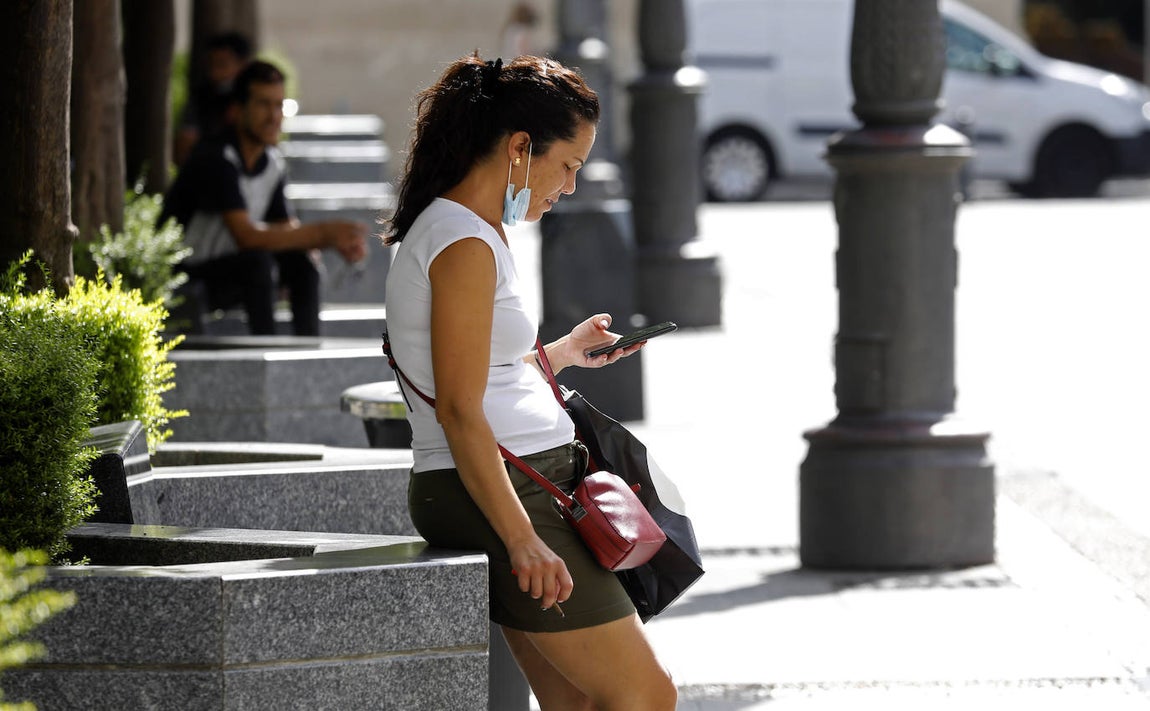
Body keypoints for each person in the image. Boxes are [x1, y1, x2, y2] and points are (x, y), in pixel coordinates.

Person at [383, 54, 677, 709]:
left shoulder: (470, 230)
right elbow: (460, 409)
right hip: (511, 491)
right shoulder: (462, 241)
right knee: (647, 696)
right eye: (568, 165)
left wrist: (565, 352)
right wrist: (523, 538)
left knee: (576, 704)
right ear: (520, 148)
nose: (569, 186)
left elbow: (480, 373)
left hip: (514, 483)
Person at [161, 60, 367, 336]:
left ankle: (306, 348)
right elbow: (246, 237)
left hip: (236, 269)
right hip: (187, 278)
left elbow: (286, 229)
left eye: (279, 105)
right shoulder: (215, 157)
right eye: (263, 105)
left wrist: (329, 243)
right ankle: (265, 348)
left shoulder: (272, 162)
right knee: (257, 263)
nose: (274, 117)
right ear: (237, 109)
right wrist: (323, 234)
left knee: (302, 263)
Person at [174, 31, 253, 166]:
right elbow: (185, 144)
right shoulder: (201, 98)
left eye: (222, 65)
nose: (215, 72)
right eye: (212, 65)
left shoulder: (252, 98)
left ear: (242, 65)